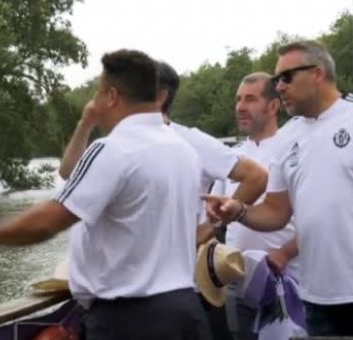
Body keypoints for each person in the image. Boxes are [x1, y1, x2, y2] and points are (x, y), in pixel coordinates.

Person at [0, 49, 212, 340]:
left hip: (130, 322)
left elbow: (49, 221)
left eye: (98, 93)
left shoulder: (113, 149)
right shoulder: (184, 151)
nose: (95, 102)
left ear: (112, 96)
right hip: (186, 312)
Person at [204, 40, 353, 337]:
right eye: (275, 80)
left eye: (286, 77)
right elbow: (276, 212)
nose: (279, 87)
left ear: (318, 73)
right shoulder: (288, 137)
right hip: (314, 299)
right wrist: (239, 211)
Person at [58, 61, 267, 340]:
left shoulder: (189, 140)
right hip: (127, 300)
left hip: (178, 294)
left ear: (160, 96)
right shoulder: (120, 143)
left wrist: (208, 229)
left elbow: (255, 175)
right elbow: (69, 174)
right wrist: (86, 124)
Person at [208, 72, 300, 340]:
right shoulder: (229, 158)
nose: (240, 106)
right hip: (239, 283)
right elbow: (214, 222)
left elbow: (319, 217)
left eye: (250, 99)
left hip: (289, 280)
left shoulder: (294, 152)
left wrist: (285, 253)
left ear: (273, 106)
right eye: (238, 99)